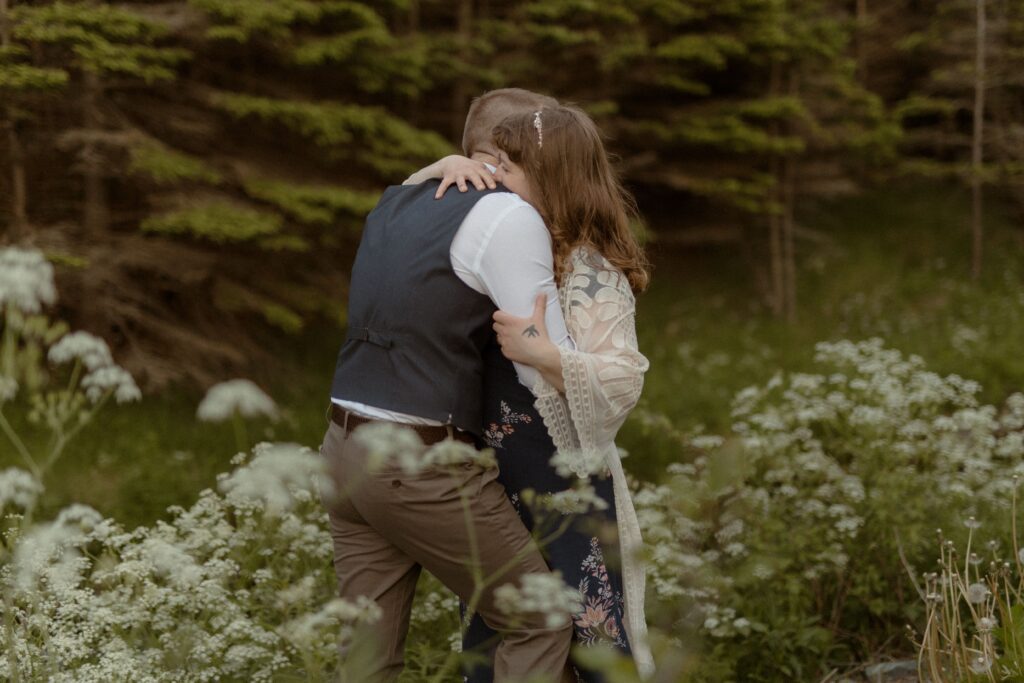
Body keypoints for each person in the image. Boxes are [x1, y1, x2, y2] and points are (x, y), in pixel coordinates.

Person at [318, 88, 576, 683]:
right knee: (537, 619)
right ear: (517, 146)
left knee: (366, 658)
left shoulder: (397, 199)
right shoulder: (510, 216)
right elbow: (546, 360)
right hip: (417, 463)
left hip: (340, 450)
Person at [414, 105, 653, 681]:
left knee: (585, 623)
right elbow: (413, 209)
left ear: (552, 178)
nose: (492, 177)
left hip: (563, 480)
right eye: (489, 162)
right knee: (505, 622)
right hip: (499, 479)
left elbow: (621, 376)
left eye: (508, 167)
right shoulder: (508, 244)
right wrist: (440, 166)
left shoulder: (591, 270)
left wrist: (544, 354)